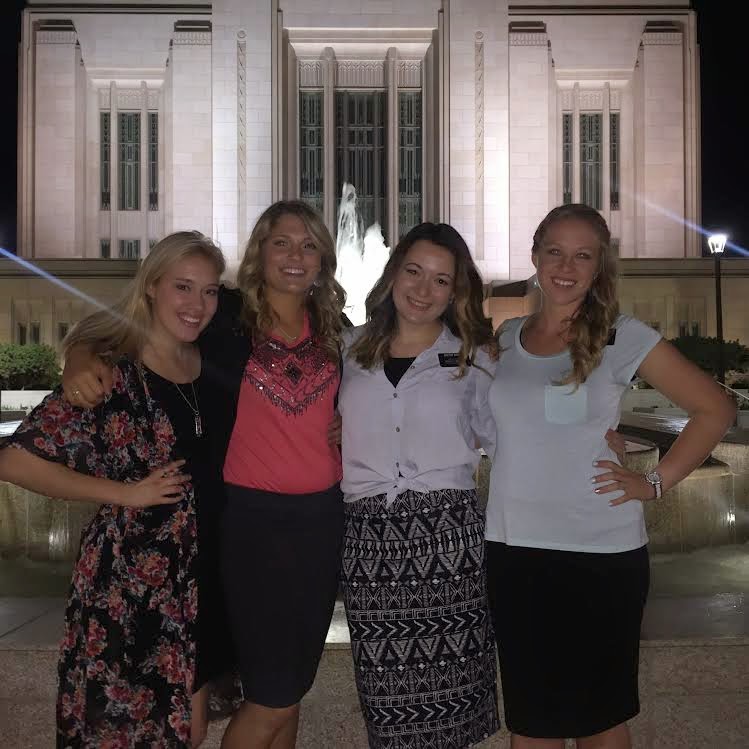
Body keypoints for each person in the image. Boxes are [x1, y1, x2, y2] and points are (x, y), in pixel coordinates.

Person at [63, 200, 346, 749]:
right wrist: (79, 356)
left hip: (321, 522)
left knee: (292, 687)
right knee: (271, 693)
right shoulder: (228, 315)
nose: (295, 255)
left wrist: (349, 422)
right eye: (282, 242)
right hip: (250, 524)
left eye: (309, 245)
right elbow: (120, 326)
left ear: (322, 259)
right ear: (260, 250)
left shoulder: (334, 327)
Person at [484, 204, 737, 749]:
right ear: (535, 256)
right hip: (513, 548)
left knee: (600, 720)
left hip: (598, 553)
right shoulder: (505, 338)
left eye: (583, 255)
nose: (566, 266)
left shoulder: (622, 335)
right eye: (555, 251)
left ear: (599, 266)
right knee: (530, 719)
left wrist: (654, 483)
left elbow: (716, 409)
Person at [0, 231, 228, 747]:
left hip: (197, 582)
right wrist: (123, 493)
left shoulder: (212, 359)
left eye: (210, 291)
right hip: (125, 589)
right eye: (183, 287)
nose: (197, 304)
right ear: (151, 286)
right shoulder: (112, 373)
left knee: (189, 733)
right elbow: (14, 461)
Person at [338, 222, 501, 749]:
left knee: (452, 700)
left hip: (448, 541)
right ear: (393, 274)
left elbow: (507, 436)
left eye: (440, 280)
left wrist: (593, 435)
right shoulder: (346, 349)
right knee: (387, 702)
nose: (423, 289)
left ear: (455, 292)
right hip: (370, 544)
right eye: (414, 271)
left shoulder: (474, 357)